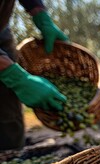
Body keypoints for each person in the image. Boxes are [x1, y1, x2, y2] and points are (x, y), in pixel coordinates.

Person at [0, 0, 68, 151]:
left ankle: (11, 154)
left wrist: (40, 14)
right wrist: (15, 76)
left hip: (1, 29)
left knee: (8, 106)